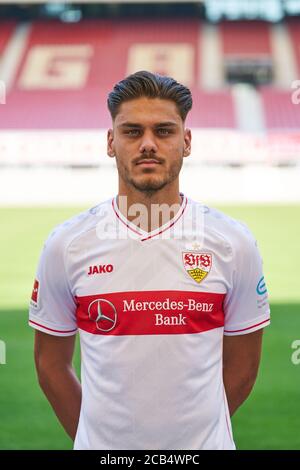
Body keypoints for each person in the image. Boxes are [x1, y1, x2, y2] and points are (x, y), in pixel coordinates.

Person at [29, 70, 270, 450]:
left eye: (163, 131)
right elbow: (50, 365)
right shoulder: (67, 245)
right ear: (111, 142)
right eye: (131, 131)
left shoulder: (232, 243)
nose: (147, 144)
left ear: (186, 141)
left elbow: (243, 368)